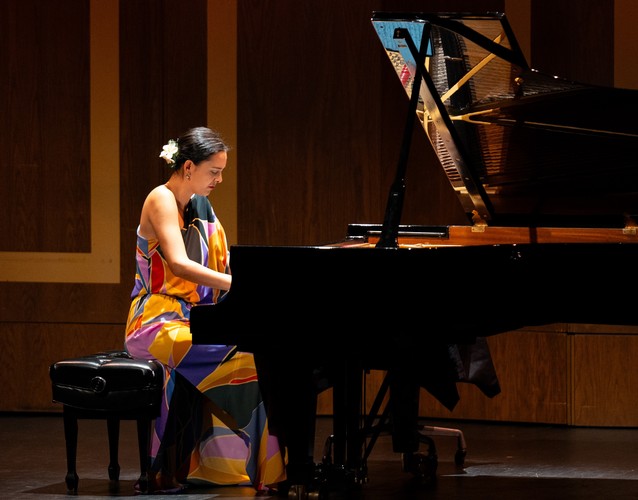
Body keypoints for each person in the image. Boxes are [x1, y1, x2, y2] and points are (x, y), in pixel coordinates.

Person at [124, 126, 286, 494]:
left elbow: (224, 261)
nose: (219, 179)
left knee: (256, 355)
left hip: (191, 318)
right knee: (244, 363)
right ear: (188, 167)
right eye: (214, 171)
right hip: (154, 323)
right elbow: (179, 265)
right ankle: (268, 474)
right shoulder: (161, 199)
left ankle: (223, 466)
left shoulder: (200, 205)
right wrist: (238, 285)